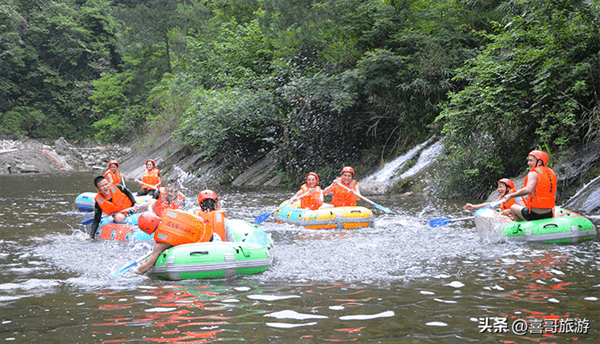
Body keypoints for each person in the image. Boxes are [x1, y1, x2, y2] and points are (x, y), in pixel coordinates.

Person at [503, 150, 557, 221]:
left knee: (513, 207)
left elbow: (528, 190)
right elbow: (554, 194)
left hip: (534, 214)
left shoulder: (534, 173)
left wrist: (510, 196)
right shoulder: (552, 173)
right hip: (549, 213)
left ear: (539, 162)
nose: (528, 163)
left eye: (531, 161)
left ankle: (521, 228)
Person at [87, 176, 138, 242]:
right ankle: (130, 227)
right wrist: (92, 236)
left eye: (106, 184)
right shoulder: (99, 201)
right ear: (97, 188)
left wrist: (134, 203)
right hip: (120, 213)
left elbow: (127, 191)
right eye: (102, 186)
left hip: (130, 207)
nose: (105, 187)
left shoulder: (116, 187)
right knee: (118, 217)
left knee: (144, 206)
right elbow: (96, 219)